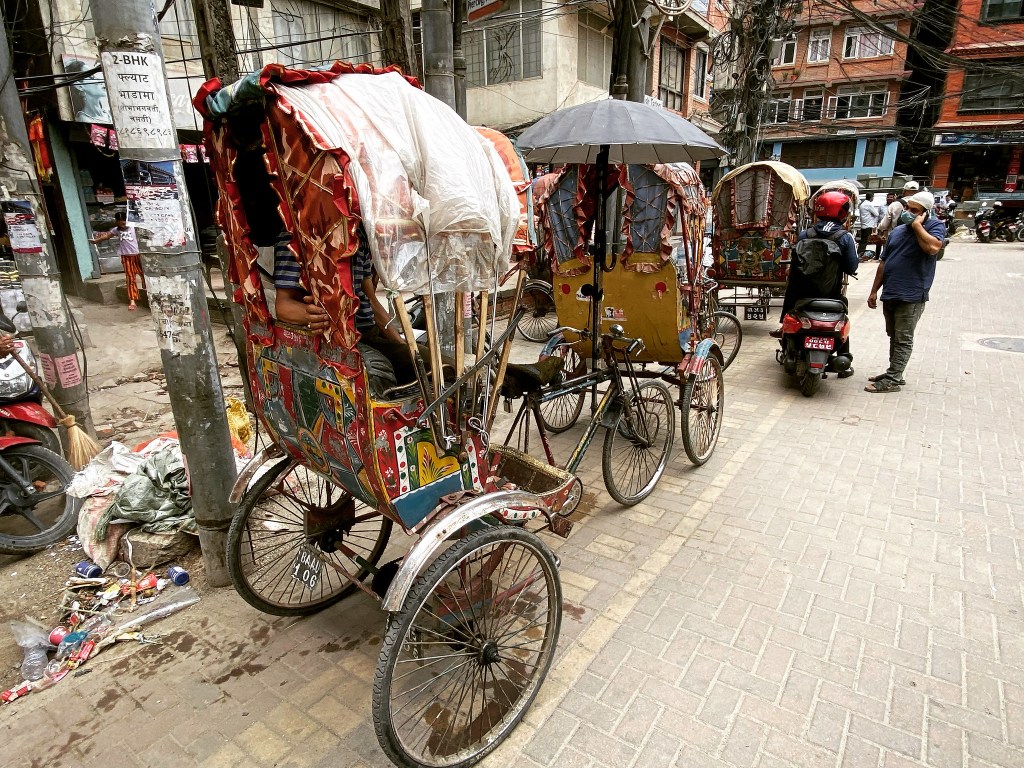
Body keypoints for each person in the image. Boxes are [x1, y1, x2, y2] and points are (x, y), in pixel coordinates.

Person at [274, 226, 417, 386]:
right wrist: (310, 315)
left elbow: (370, 300)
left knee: (428, 361)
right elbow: (283, 306)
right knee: (377, 370)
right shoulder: (296, 233)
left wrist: (402, 343)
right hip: (326, 338)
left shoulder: (358, 231)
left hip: (366, 333)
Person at [864, 191, 945, 393]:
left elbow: (933, 248)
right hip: (891, 291)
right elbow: (883, 262)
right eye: (907, 207)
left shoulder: (934, 227)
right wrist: (874, 291)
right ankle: (894, 373)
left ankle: (892, 379)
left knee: (903, 338)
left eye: (914, 210)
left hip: (912, 294)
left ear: (925, 213)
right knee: (893, 335)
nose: (907, 212)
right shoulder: (898, 231)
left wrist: (917, 226)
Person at [772, 191, 859, 376]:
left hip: (801, 293)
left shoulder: (805, 234)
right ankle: (844, 358)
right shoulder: (845, 237)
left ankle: (784, 331)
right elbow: (852, 267)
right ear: (842, 212)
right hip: (830, 295)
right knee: (842, 313)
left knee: (790, 299)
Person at [89, 211, 144, 310]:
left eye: (124, 221)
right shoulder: (116, 230)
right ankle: (132, 300)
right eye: (120, 222)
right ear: (117, 222)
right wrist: (96, 241)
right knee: (130, 278)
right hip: (126, 257)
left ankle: (146, 290)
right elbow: (107, 236)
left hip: (138, 255)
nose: (122, 223)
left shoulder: (134, 227)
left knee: (143, 274)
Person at [876, 182, 921, 263]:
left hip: (896, 239)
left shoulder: (895, 204)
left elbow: (884, 224)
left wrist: (879, 230)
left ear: (903, 191)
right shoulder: (921, 204)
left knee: (890, 261)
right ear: (917, 192)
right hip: (916, 239)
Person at [857, 191, 879, 261]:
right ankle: (860, 255)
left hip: (863, 225)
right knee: (864, 241)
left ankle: (859, 254)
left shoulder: (862, 204)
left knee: (863, 241)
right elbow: (876, 214)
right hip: (868, 225)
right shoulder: (869, 204)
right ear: (871, 197)